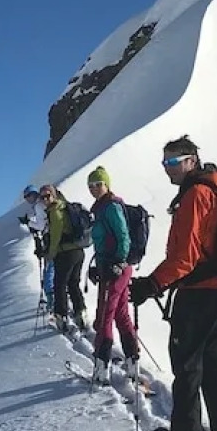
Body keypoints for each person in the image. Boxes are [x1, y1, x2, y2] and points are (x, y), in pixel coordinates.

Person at [130, 136, 217, 431]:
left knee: (188, 367)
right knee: (212, 363)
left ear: (191, 161)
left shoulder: (196, 195)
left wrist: (152, 284)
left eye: (173, 162)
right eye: (164, 163)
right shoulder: (213, 193)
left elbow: (185, 257)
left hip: (197, 292)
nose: (167, 170)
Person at [84, 165, 139, 385]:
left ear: (107, 184)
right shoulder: (100, 208)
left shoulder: (110, 207)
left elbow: (123, 235)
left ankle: (102, 365)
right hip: (112, 267)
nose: (94, 189)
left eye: (98, 184)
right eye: (91, 186)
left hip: (115, 268)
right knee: (120, 314)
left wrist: (118, 260)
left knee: (105, 314)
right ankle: (132, 360)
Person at [41, 184, 88, 333]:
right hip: (78, 252)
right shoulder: (65, 207)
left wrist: (51, 254)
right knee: (73, 283)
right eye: (42, 197)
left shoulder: (55, 211)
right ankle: (81, 312)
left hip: (65, 253)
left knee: (59, 284)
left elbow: (56, 235)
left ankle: (61, 316)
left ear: (54, 195)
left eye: (47, 196)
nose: (45, 199)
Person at [19, 185, 54, 305]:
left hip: (50, 240)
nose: (27, 199)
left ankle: (52, 303)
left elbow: (40, 225)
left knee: (49, 273)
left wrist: (29, 222)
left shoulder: (39, 206)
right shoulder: (44, 204)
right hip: (53, 239)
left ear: (33, 194)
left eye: (28, 196)